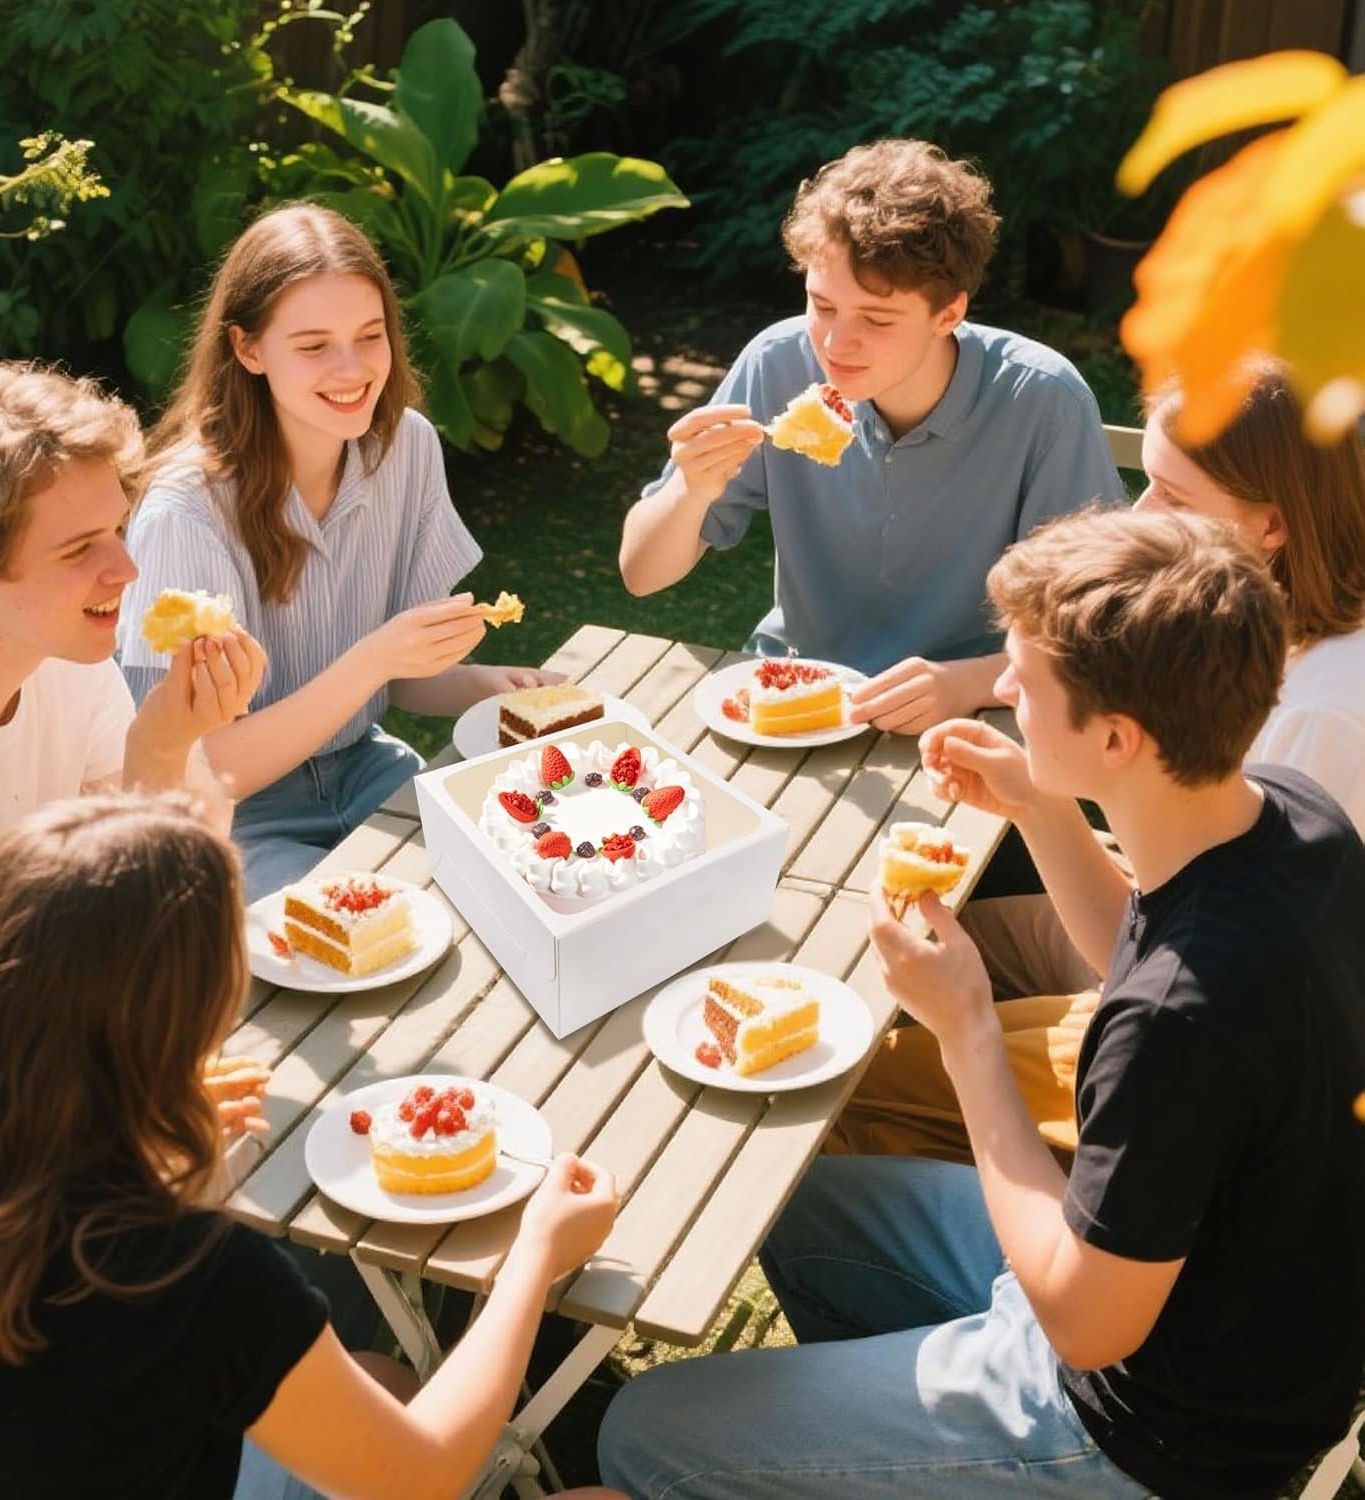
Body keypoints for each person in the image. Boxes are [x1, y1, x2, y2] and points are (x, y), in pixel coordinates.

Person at [598, 507, 1365, 1499]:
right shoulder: (1298, 819)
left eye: (1027, 683)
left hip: (1148, 1431)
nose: (1000, 690)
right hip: (1209, 1301)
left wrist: (966, 1034)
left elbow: (1090, 1328)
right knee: (776, 1198)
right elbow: (1141, 943)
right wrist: (1045, 805)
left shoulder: (1181, 1022)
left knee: (643, 1431)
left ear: (1119, 737)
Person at [0, 791, 624, 1500]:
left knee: (379, 1378)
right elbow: (418, 1474)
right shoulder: (193, 1275)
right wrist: (534, 1257)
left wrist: (131, 1126)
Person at [839, 357, 1365, 1162]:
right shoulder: (1259, 632)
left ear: (1274, 525)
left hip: (1196, 1061)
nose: (1139, 514)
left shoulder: (1321, 716)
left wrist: (973, 1029)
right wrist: (1038, 801)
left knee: (858, 1089)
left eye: (1174, 499)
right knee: (911, 948)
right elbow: (1176, 911)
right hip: (1154, 945)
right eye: (1144, 481)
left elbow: (1190, 969)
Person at [119, 203, 558, 900]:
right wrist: (375, 659)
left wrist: (491, 688)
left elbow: (404, 681)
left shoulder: (407, 447)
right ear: (248, 349)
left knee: (528, 883)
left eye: (369, 335)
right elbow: (196, 766)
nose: (352, 369)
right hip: (236, 821)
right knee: (338, 960)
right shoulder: (184, 514)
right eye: (315, 345)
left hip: (368, 770)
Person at [618, 138, 1124, 734]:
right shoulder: (776, 363)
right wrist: (691, 492)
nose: (835, 345)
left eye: (876, 320)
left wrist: (967, 682)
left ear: (949, 314)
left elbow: (1102, 640)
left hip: (970, 716)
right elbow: (640, 573)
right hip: (797, 691)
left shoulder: (1043, 401)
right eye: (822, 305)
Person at [0, 358, 264, 1061]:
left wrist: (177, 745)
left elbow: (186, 899)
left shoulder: (52, 649)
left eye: (117, 529)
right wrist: (158, 755)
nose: (127, 571)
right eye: (81, 550)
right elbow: (8, 1024)